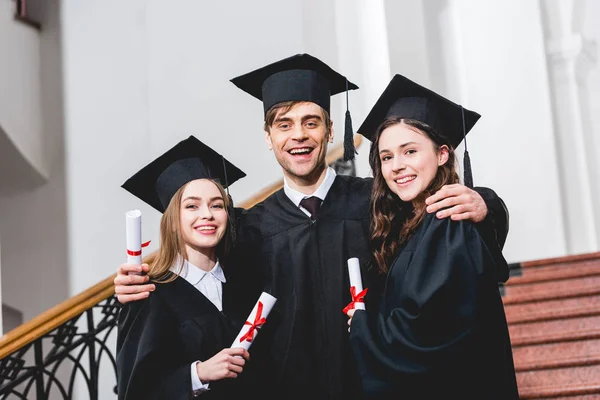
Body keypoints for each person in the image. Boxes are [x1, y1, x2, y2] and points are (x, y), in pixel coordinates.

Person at [115, 54, 510, 399]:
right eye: (283, 125)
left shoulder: (379, 202)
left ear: (331, 130)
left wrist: (485, 203)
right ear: (268, 138)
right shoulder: (248, 228)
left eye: (311, 122)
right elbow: (197, 259)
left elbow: (440, 236)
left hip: (379, 386)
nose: (298, 135)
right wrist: (133, 283)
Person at [346, 74, 519, 399]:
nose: (397, 166)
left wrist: (363, 327)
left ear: (442, 154)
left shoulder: (448, 223)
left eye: (409, 151)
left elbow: (429, 332)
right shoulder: (410, 225)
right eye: (386, 157)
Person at [116, 135, 256, 399]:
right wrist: (197, 374)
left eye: (217, 205)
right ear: (172, 220)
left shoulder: (242, 280)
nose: (207, 214)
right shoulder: (150, 295)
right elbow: (135, 391)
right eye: (192, 205)